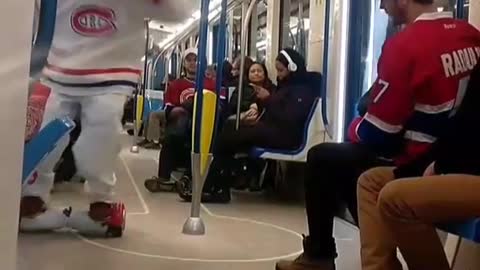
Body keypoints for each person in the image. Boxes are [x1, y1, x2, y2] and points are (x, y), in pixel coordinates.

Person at [276, 1, 480, 269]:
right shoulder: (468, 33)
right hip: (451, 148)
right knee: (359, 173)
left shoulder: (403, 46)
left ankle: (319, 255)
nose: (381, 5)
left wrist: (355, 127)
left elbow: (378, 134)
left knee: (324, 159)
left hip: (421, 156)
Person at [20, 0, 192, 237]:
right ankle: (32, 196)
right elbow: (29, 15)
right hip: (57, 68)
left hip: (112, 71)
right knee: (44, 133)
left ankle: (101, 198)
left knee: (100, 136)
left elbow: (176, 11)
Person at [357, 62, 480, 270]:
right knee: (371, 182)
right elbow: (462, 127)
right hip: (463, 162)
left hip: (471, 169)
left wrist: (441, 166)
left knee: (395, 198)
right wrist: (425, 165)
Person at [177, 48, 319, 203]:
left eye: (281, 70)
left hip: (286, 135)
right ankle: (213, 184)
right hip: (275, 130)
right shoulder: (287, 86)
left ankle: (216, 187)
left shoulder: (302, 91)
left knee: (227, 138)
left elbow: (290, 118)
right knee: (228, 132)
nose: (278, 74)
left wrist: (267, 99)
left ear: (293, 68)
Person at [144, 48, 216, 192]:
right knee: (178, 123)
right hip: (181, 120)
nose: (193, 63)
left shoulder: (211, 84)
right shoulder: (176, 85)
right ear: (184, 64)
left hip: (203, 120)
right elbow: (170, 109)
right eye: (189, 60)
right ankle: (164, 177)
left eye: (196, 60)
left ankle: (187, 178)